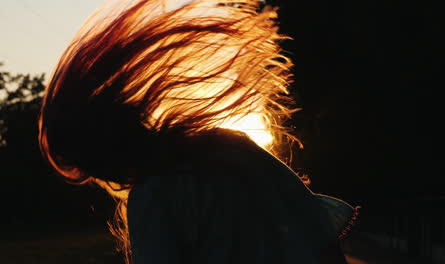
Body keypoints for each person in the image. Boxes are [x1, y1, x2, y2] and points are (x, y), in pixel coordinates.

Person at [38, 0, 360, 263]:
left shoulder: (152, 197)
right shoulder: (231, 146)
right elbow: (318, 235)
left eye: (92, 168)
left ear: (105, 150)